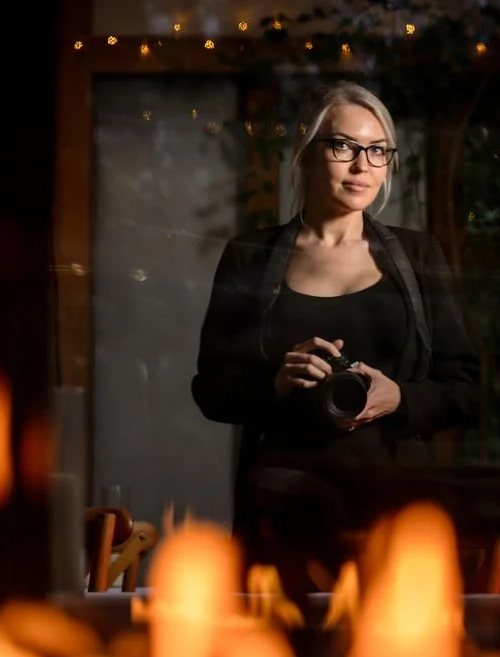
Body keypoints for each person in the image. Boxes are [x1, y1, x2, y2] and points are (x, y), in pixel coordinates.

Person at [191, 80, 479, 582]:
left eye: (377, 150)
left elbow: (468, 388)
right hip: (280, 508)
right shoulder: (250, 258)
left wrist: (400, 399)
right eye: (344, 146)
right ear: (306, 151)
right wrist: (276, 382)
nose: (362, 165)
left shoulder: (418, 256)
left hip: (395, 508)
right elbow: (210, 390)